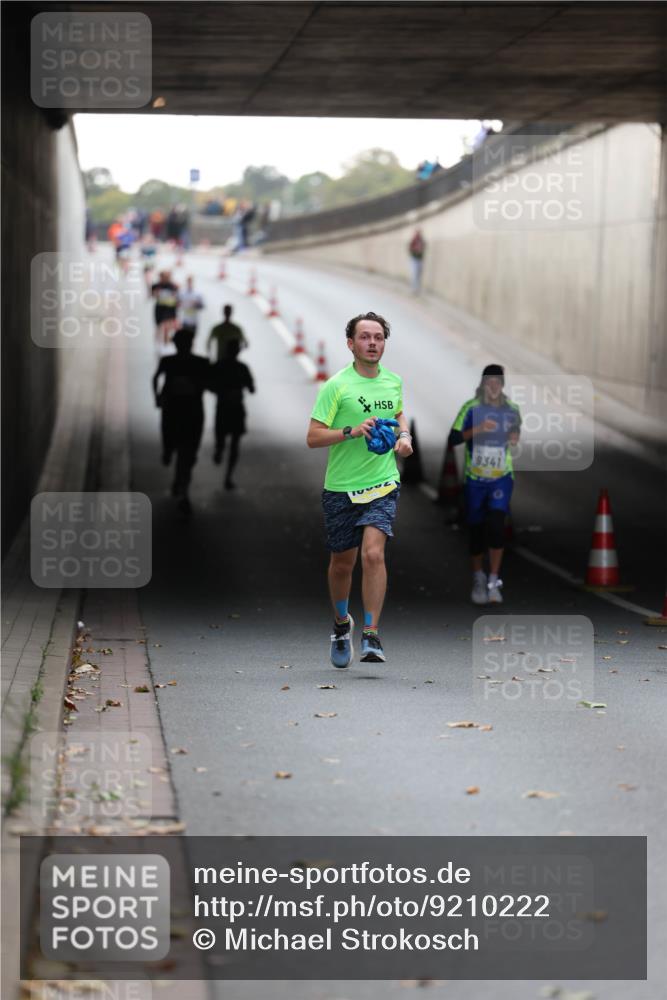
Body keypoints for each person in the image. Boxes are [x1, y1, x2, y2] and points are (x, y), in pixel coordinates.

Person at [306, 311, 413, 668]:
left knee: (372, 555)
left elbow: (398, 413)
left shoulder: (393, 381)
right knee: (342, 563)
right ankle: (341, 625)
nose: (372, 343)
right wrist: (351, 430)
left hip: (382, 483)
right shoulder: (337, 386)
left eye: (379, 337)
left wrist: (405, 436)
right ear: (351, 344)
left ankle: (371, 632)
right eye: (365, 337)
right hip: (341, 487)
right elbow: (313, 437)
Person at [448, 364, 522, 605]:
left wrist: (513, 436)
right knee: (477, 531)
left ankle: (493, 580)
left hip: (501, 477)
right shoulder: (471, 408)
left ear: (502, 385)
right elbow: (454, 438)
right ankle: (479, 577)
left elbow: (515, 432)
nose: (493, 387)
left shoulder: (512, 409)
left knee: (497, 526)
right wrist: (479, 429)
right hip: (475, 479)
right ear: (483, 384)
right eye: (488, 383)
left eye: (497, 383)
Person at [152, 327, 210, 513]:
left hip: (175, 411)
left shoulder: (169, 362)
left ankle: (180, 481)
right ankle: (182, 485)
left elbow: (155, 379)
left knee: (179, 445)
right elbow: (211, 382)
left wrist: (157, 397)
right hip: (190, 412)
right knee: (188, 450)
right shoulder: (200, 363)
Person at [209, 340, 255, 489]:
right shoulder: (242, 368)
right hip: (236, 408)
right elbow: (252, 388)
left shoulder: (218, 366)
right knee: (235, 444)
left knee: (221, 437)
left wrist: (221, 391)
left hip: (223, 407)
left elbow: (208, 384)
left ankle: (219, 450)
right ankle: (228, 476)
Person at [151, 270, 179, 347]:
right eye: (163, 277)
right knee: (159, 327)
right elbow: (153, 295)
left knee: (167, 327)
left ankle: (166, 344)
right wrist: (156, 293)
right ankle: (159, 343)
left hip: (170, 309)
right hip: (159, 309)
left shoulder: (173, 286)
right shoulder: (156, 286)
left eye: (167, 277)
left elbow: (177, 297)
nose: (164, 279)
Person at [408, 229, 426, 294]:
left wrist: (420, 250)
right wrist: (415, 250)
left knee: (419, 274)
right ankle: (413, 289)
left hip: (420, 259)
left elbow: (424, 248)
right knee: (414, 274)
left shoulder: (422, 241)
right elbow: (410, 249)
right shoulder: (413, 241)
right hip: (414, 259)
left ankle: (418, 288)